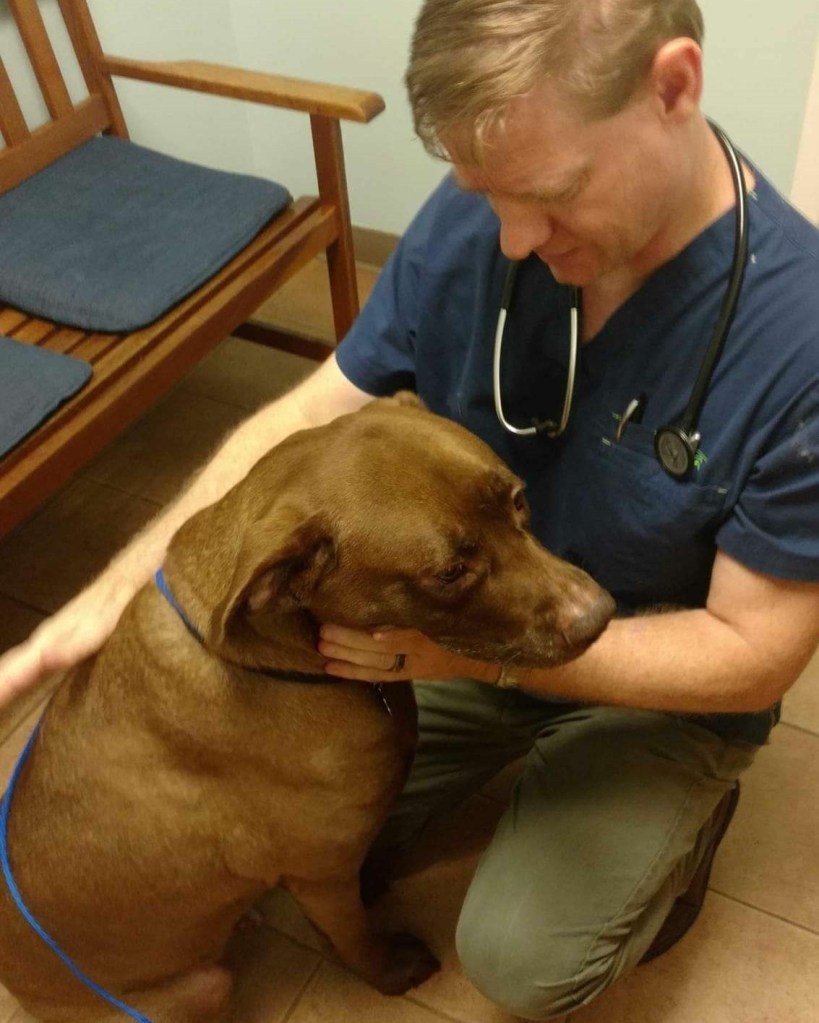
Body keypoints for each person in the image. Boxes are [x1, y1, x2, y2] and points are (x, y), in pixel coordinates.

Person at [2, 0, 818, 1017]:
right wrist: (113, 593)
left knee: (523, 961)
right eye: (488, 195)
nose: (513, 238)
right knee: (324, 839)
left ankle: (679, 827)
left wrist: (472, 657)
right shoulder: (486, 211)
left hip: (654, 671)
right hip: (459, 623)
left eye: (553, 195)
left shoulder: (801, 338)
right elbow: (314, 415)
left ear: (673, 87)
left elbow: (757, 652)